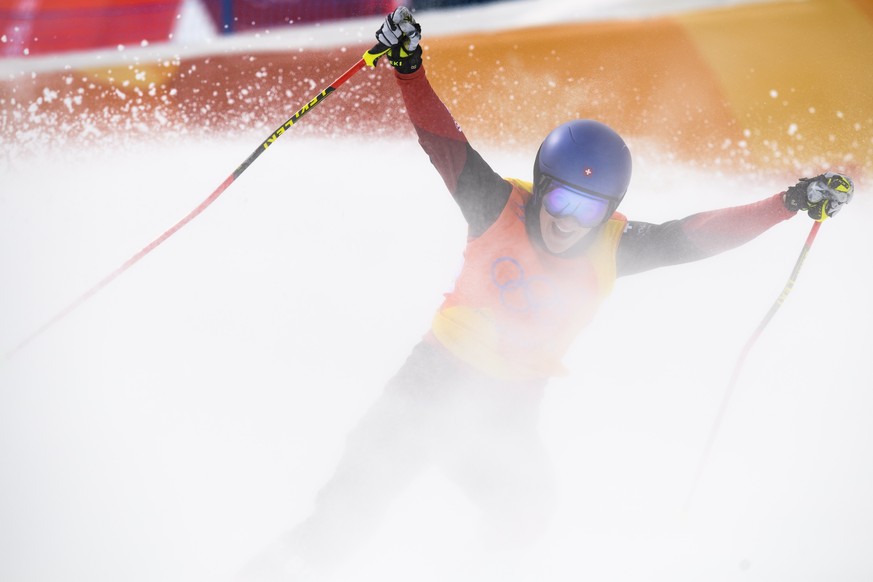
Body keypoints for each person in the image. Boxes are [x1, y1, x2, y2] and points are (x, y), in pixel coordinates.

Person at [236, 7, 854, 581]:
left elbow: (693, 238)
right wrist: (409, 68)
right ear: (539, 186)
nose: (567, 221)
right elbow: (444, 143)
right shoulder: (495, 206)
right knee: (344, 516)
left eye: (588, 210)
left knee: (524, 514)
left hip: (508, 407)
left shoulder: (613, 248)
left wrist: (790, 202)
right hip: (432, 382)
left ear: (610, 212)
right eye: (558, 198)